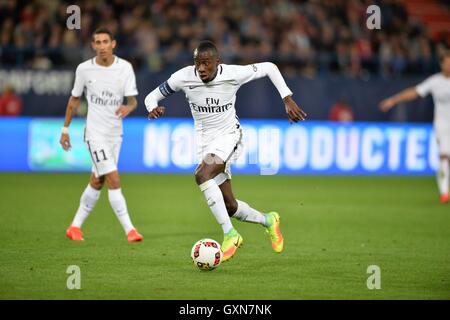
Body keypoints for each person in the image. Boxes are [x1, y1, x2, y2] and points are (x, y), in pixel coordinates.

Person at [144, 41, 306, 261]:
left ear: (217, 63)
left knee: (202, 175)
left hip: (230, 137)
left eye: (206, 63)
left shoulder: (232, 74)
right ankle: (268, 220)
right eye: (197, 64)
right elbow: (151, 96)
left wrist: (287, 99)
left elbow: (269, 67)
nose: (201, 69)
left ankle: (230, 235)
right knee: (230, 206)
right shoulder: (183, 77)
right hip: (205, 144)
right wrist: (151, 107)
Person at [60, 28, 143, 242]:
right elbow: (74, 100)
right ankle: (130, 230)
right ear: (93, 46)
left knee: (98, 180)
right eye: (98, 42)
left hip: (115, 134)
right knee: (113, 178)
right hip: (94, 134)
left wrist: (129, 108)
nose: (102, 45)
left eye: (106, 41)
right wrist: (65, 129)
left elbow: (133, 100)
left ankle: (74, 227)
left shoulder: (125, 68)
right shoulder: (84, 70)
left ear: (113, 44)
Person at [379, 51, 450, 204]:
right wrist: (393, 100)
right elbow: (414, 92)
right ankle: (444, 192)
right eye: (447, 62)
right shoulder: (435, 81)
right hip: (443, 126)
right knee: (444, 156)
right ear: (441, 64)